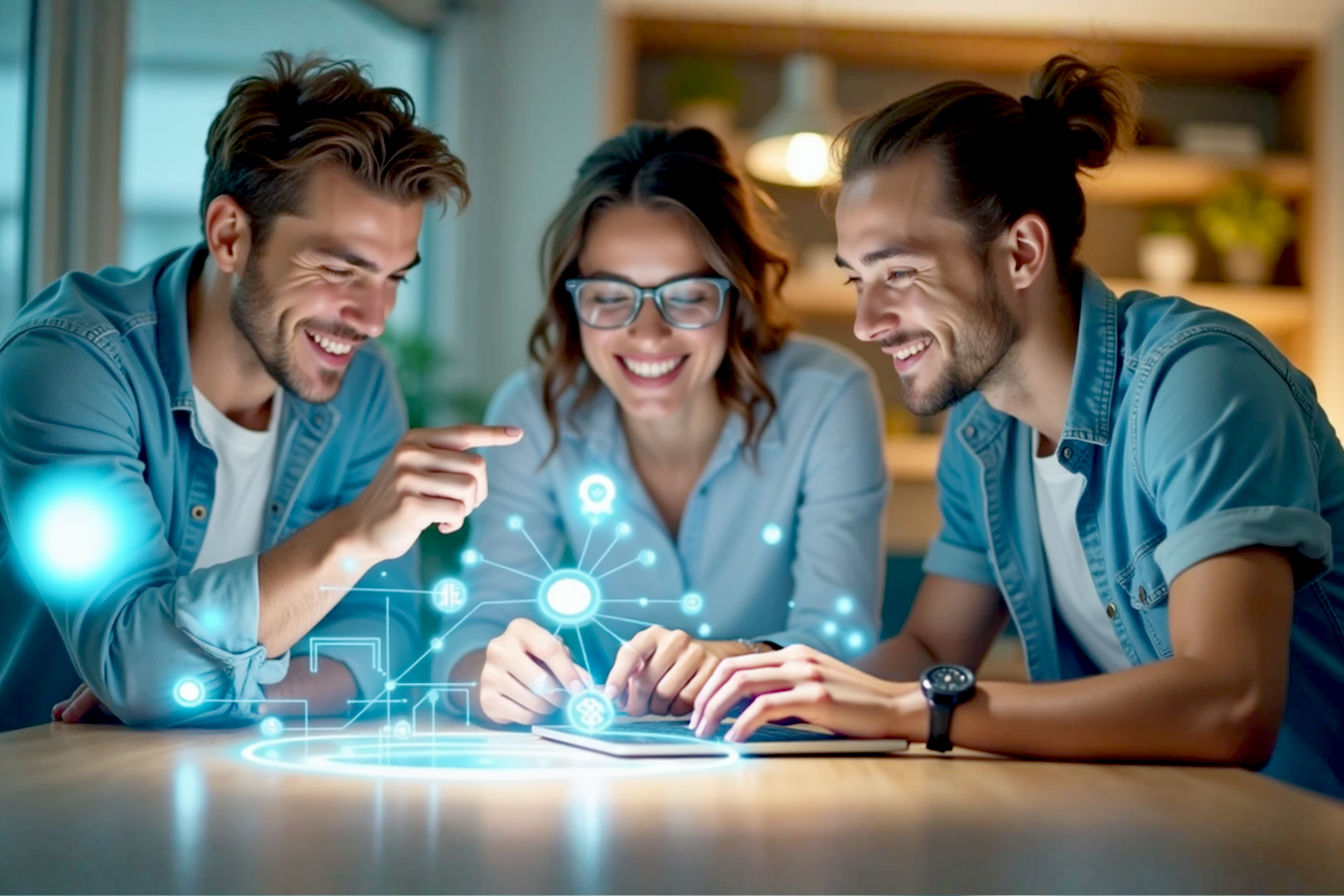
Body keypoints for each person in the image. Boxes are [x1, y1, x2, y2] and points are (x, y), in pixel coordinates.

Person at [690, 55, 1344, 799]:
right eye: (856, 279)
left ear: (1022, 253)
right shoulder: (983, 434)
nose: (867, 323)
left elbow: (1231, 704)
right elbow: (934, 646)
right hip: (1172, 832)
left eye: (898, 273)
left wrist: (914, 709)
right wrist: (748, 678)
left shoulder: (1197, 382)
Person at [0, 52, 521, 730]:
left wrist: (219, 696)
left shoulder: (361, 392)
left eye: (395, 277)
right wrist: (355, 536)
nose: (374, 318)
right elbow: (138, 664)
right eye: (341, 269)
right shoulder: (73, 365)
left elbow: (382, 640)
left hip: (221, 786)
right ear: (230, 236)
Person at [436, 123, 888, 725]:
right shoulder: (531, 414)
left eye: (688, 295)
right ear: (574, 302)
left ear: (738, 294)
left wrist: (732, 663)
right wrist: (492, 677)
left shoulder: (828, 398)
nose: (647, 334)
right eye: (609, 295)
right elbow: (470, 641)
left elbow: (846, 641)